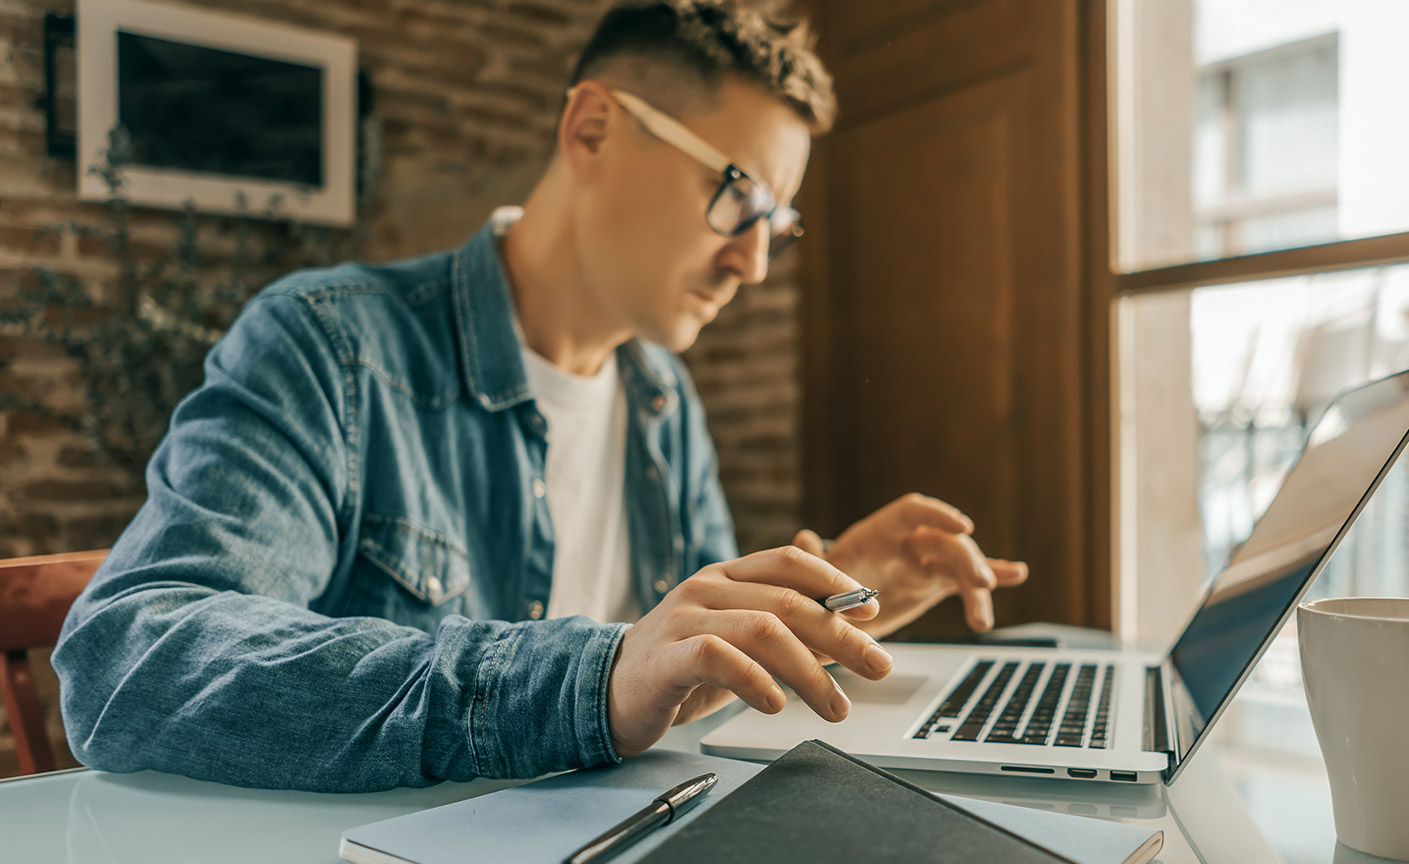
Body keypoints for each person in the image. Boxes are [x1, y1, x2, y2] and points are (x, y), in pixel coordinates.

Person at [53, 0, 1028, 792]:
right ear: (592, 126)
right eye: (738, 195)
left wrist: (823, 603)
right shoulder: (329, 346)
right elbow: (131, 659)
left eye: (779, 223)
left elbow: (682, 691)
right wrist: (586, 681)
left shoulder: (663, 401)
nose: (755, 262)